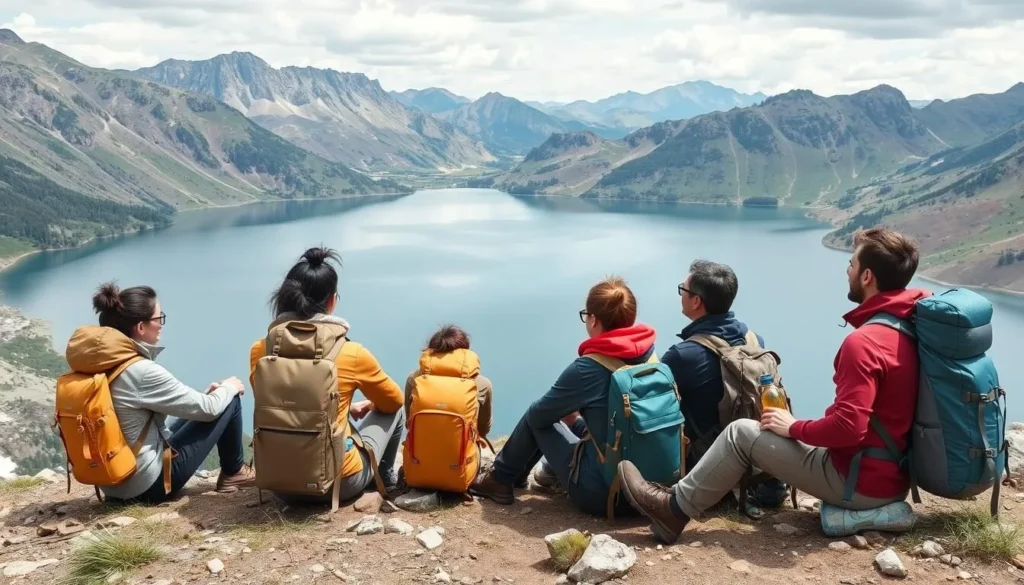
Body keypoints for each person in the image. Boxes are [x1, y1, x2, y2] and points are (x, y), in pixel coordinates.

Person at [617, 227, 926, 543]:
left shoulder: (864, 343)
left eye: (852, 264)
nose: (847, 270)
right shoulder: (907, 328)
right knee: (778, 426)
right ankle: (772, 488)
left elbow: (848, 428)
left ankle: (673, 508)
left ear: (867, 277)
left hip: (858, 480)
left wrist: (794, 428)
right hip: (889, 474)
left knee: (741, 433)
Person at [469, 276, 659, 516]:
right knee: (566, 420)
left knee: (535, 414)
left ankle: (500, 479)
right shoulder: (651, 357)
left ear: (593, 319)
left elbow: (539, 417)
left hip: (605, 495)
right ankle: (511, 478)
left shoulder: (589, 368)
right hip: (653, 489)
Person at [66, 282, 254, 503]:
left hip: (115, 483)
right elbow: (209, 409)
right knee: (228, 400)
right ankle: (234, 473)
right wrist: (230, 387)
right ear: (141, 327)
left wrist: (210, 395)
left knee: (212, 401)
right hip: (147, 488)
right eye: (158, 318)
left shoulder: (102, 364)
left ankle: (234, 469)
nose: (161, 325)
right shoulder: (141, 371)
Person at [248, 247, 404, 503]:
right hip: (341, 483)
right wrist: (348, 406)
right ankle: (384, 480)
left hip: (280, 485)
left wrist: (340, 407)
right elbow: (394, 401)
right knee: (395, 411)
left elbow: (286, 403)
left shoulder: (261, 350)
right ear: (332, 301)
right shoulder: (351, 352)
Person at [665, 260, 788, 509]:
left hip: (711, 464)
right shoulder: (754, 340)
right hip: (760, 456)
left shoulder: (684, 355)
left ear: (696, 301)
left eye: (683, 290)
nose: (681, 296)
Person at [401, 324, 494, 492]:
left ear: (431, 350)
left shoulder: (413, 379)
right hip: (461, 473)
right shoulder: (481, 384)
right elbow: (483, 429)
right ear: (465, 353)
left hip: (416, 470)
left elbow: (409, 422)